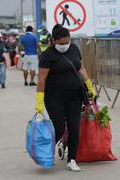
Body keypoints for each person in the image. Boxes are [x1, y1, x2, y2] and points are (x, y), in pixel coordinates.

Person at [36, 24, 96, 172]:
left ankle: (72, 160)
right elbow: (42, 79)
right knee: (59, 128)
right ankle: (45, 154)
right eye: (61, 43)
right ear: (54, 41)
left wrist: (89, 86)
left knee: (74, 127)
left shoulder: (74, 49)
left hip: (74, 95)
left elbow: (80, 68)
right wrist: (39, 101)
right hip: (54, 96)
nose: (65, 45)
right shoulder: (47, 55)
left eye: (67, 42)